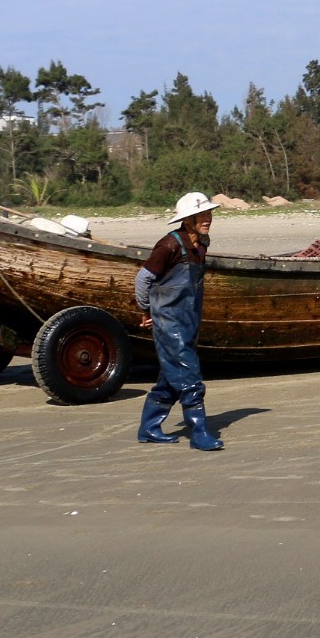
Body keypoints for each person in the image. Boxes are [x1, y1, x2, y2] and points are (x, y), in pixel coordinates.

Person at [132, 191, 223, 450]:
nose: (206, 219)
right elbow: (143, 280)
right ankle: (199, 432)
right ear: (187, 220)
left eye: (208, 214)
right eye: (200, 215)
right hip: (169, 322)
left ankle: (149, 428)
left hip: (190, 319)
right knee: (189, 375)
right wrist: (146, 311)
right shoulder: (169, 246)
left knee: (171, 376)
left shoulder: (201, 244)